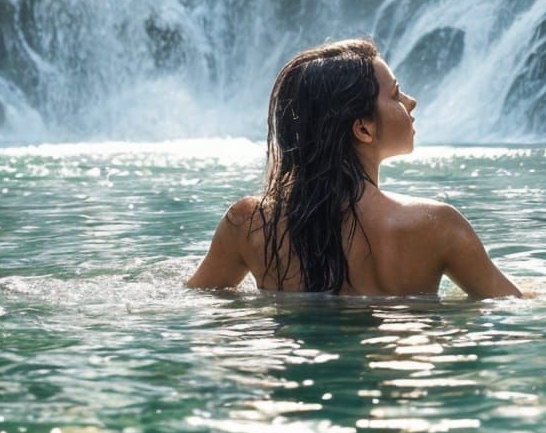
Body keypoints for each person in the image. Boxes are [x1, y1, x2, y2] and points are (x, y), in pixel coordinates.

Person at [186, 37, 522, 298]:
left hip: (293, 378)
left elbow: (197, 299)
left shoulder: (250, 224)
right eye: (396, 94)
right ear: (363, 128)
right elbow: (509, 304)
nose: (411, 102)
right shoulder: (436, 226)